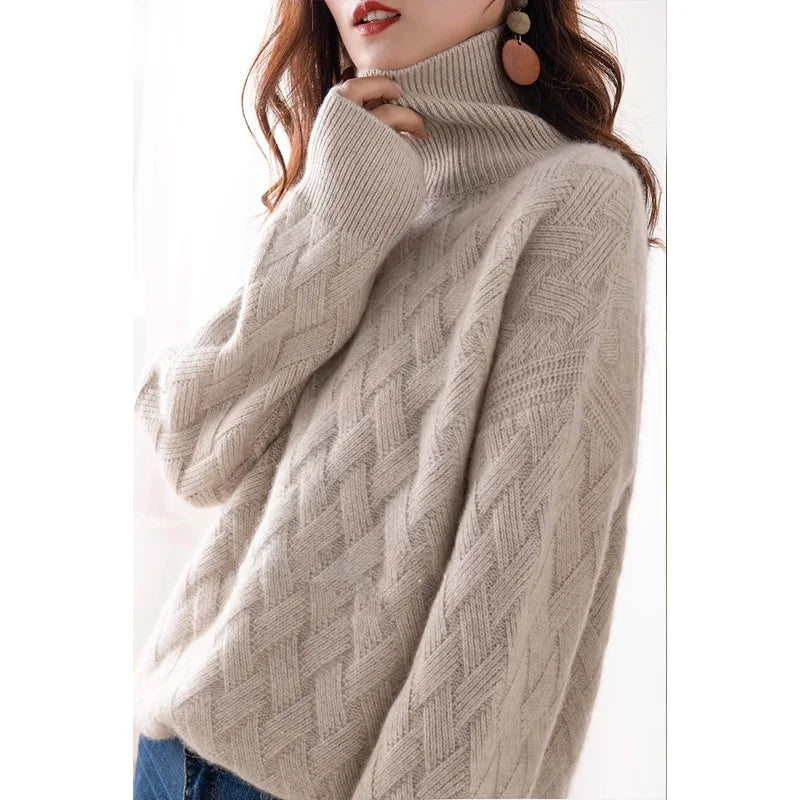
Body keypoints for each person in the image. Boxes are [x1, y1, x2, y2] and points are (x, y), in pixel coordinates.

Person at [132, 1, 662, 798]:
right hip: (167, 750)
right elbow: (192, 448)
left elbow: (502, 603)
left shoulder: (574, 203)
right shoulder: (356, 177)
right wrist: (331, 222)